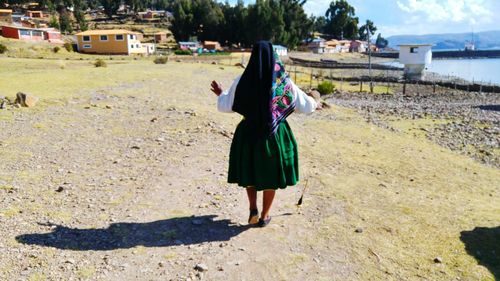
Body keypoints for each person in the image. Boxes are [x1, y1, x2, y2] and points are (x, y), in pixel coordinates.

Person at [210, 41, 317, 227]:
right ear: (274, 56)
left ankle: (253, 208)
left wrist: (221, 94)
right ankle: (265, 215)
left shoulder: (242, 81)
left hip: (248, 133)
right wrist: (314, 100)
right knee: (270, 176)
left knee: (250, 171)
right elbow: (306, 106)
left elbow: (225, 105)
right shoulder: (284, 82)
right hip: (274, 136)